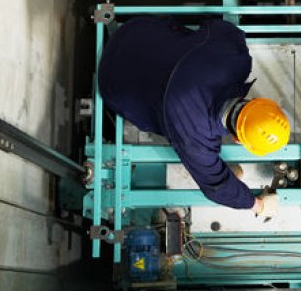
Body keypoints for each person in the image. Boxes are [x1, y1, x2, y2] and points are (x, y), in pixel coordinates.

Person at [98, 16, 289, 218]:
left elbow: (214, 25)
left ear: (256, 101)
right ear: (236, 139)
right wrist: (258, 205)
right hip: (113, 82)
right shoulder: (197, 139)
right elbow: (218, 187)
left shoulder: (236, 57)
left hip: (134, 33)